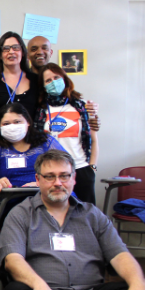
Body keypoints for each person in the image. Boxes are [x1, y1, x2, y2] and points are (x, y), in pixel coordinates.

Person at [0, 150, 145, 290]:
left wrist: (138, 285)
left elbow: (120, 254)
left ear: (74, 178)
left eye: (64, 176)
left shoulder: (93, 214)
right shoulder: (20, 213)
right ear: (38, 180)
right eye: (49, 176)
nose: (57, 182)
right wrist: (40, 287)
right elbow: (12, 259)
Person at [35, 63, 99, 204]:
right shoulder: (39, 110)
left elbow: (93, 140)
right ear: (43, 86)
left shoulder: (81, 106)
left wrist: (92, 167)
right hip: (52, 171)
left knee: (85, 215)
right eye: (48, 80)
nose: (53, 82)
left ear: (64, 79)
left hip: (80, 168)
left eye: (56, 77)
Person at [0, 103, 66, 189]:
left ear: (28, 122)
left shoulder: (46, 141)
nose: (12, 127)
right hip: (10, 197)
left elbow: (65, 168)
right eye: (6, 124)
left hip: (46, 193)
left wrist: (40, 183)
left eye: (17, 122)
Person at [26, 36, 100, 128]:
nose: (40, 52)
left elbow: (75, 104)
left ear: (50, 52)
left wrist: (91, 115)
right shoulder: (22, 81)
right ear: (27, 55)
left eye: (44, 48)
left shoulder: (59, 81)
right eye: (34, 49)